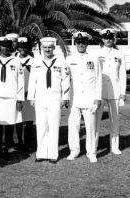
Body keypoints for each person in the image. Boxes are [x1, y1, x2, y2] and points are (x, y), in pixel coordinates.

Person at [27, 37, 70, 163]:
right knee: (41, 126)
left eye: (49, 48)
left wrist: (65, 97)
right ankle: (40, 153)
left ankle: (52, 154)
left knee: (53, 125)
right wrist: (31, 97)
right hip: (40, 98)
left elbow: (65, 81)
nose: (47, 50)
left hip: (55, 98)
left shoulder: (61, 61)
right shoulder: (36, 61)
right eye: (45, 48)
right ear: (42, 48)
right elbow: (32, 81)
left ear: (53, 48)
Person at [0, 37, 24, 159]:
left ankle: (6, 150)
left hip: (11, 98)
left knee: (9, 126)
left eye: (7, 46)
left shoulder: (16, 61)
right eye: (3, 46)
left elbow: (21, 82)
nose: (5, 49)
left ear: (10, 48)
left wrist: (19, 100)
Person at [66, 32, 102, 163]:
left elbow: (98, 79)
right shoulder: (69, 59)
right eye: (78, 42)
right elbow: (65, 79)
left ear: (87, 43)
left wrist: (98, 97)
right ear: (75, 43)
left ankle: (91, 152)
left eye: (83, 42)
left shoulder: (94, 58)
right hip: (74, 98)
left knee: (91, 127)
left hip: (90, 98)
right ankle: (74, 151)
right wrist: (65, 97)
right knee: (73, 127)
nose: (81, 44)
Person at [96, 28, 126, 155]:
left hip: (115, 91)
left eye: (110, 37)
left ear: (113, 39)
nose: (108, 39)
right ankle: (94, 145)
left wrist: (123, 92)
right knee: (96, 120)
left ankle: (114, 146)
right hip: (100, 91)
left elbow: (122, 74)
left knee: (115, 120)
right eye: (106, 37)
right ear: (102, 39)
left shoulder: (119, 54)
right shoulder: (96, 54)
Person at [16, 37, 35, 152]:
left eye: (25, 47)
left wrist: (32, 92)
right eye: (20, 47)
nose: (22, 49)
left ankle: (28, 143)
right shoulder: (13, 60)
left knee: (29, 120)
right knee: (18, 120)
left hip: (29, 94)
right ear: (17, 48)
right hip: (17, 95)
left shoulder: (33, 61)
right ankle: (19, 142)